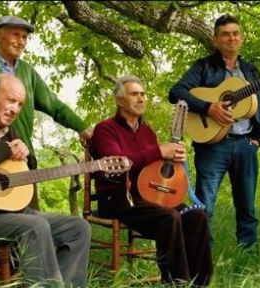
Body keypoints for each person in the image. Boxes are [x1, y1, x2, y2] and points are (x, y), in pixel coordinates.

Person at [91, 76, 213, 286]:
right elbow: (119, 164)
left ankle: (200, 282)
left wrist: (173, 159)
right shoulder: (105, 129)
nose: (141, 98)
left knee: (197, 215)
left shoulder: (148, 132)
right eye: (134, 94)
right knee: (169, 217)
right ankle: (177, 283)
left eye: (143, 94)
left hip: (149, 195)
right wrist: (158, 151)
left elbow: (153, 169)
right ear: (119, 101)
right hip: (117, 198)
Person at [0, 74, 91, 287]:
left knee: (78, 227)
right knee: (35, 225)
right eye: (11, 100)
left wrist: (27, 155)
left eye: (20, 104)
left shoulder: (10, 131)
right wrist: (5, 149)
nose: (15, 109)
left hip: (13, 213)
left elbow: (25, 172)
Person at [168, 14, 260, 249]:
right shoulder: (203, 67)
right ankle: (203, 257)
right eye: (225, 34)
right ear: (215, 40)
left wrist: (257, 138)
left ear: (241, 38)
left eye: (236, 33)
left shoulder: (251, 72)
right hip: (212, 145)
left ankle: (248, 256)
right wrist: (208, 107)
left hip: (245, 144)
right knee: (205, 206)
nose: (231, 38)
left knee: (247, 207)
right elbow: (176, 91)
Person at [0, 15, 93, 208]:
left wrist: (81, 127)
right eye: (16, 35)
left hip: (21, 161)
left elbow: (53, 104)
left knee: (33, 221)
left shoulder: (27, 72)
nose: (21, 41)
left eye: (25, 37)